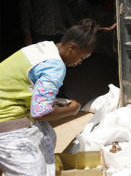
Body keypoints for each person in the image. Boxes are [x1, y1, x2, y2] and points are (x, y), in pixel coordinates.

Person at [0, 18, 99, 176]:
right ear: (72, 47)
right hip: (5, 117)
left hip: (11, 102)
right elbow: (39, 113)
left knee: (48, 136)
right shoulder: (55, 67)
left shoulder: (45, 47)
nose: (80, 62)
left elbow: (35, 90)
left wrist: (58, 104)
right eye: (82, 57)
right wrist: (72, 110)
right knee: (33, 170)